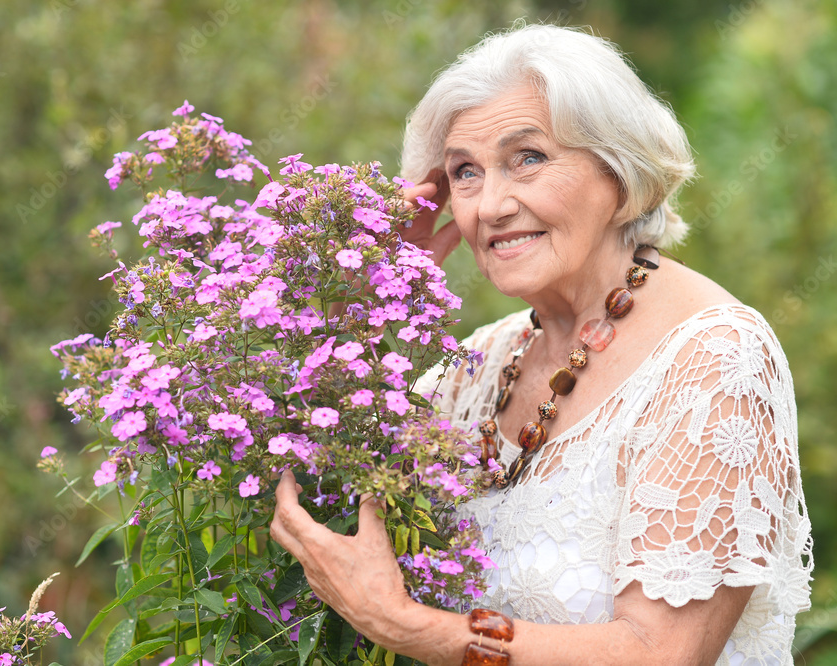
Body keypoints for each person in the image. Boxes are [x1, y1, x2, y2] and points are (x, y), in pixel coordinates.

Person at [270, 22, 813, 665]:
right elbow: (314, 471)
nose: (491, 205)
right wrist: (370, 297)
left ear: (618, 169)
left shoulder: (716, 358)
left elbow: (662, 654)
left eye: (527, 157)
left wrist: (403, 624)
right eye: (464, 174)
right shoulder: (477, 365)